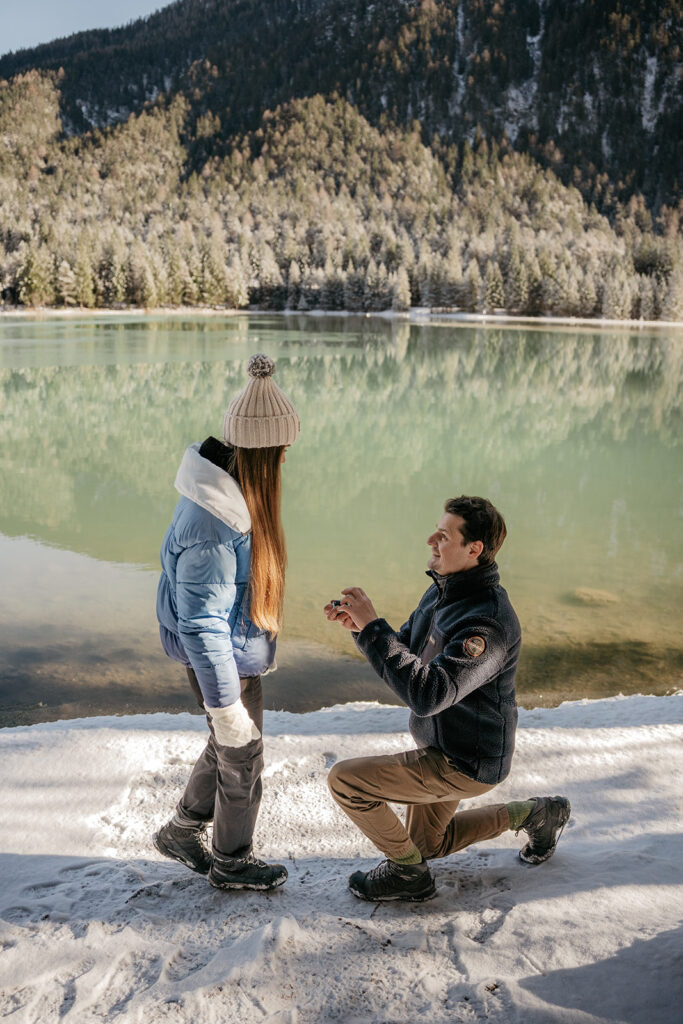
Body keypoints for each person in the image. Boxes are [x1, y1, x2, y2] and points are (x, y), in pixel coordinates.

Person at [324, 496, 571, 902]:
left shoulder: (486, 624)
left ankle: (407, 875)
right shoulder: (443, 590)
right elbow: (404, 649)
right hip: (441, 745)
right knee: (428, 845)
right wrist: (362, 629)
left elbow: (428, 695)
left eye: (443, 536)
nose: (431, 541)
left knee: (346, 781)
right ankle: (536, 814)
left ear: (474, 549)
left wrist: (374, 626)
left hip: (466, 762)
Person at [153, 353, 300, 892]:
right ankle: (232, 862)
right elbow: (201, 624)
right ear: (262, 455)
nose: (284, 462)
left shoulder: (228, 496)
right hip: (221, 660)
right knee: (242, 757)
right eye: (280, 453)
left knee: (226, 747)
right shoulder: (215, 525)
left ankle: (181, 831)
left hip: (233, 653)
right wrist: (225, 707)